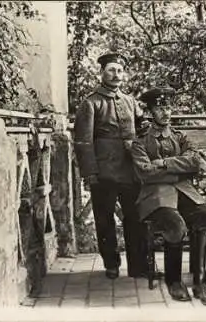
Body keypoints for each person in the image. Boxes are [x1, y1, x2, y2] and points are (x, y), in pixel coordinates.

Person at [130, 87, 206, 307]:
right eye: (160, 108)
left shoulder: (180, 136)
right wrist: (180, 169)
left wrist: (165, 164)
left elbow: (195, 161)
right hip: (155, 197)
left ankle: (201, 282)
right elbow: (145, 173)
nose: (166, 112)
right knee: (176, 225)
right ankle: (174, 281)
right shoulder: (140, 142)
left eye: (168, 107)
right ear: (150, 112)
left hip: (184, 192)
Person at [73, 52, 148, 279]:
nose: (116, 75)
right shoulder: (91, 103)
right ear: (102, 73)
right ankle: (111, 263)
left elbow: (141, 126)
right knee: (104, 219)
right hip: (103, 172)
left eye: (120, 71)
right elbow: (84, 142)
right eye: (111, 70)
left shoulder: (129, 101)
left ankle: (138, 265)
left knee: (134, 217)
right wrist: (90, 173)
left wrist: (143, 127)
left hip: (130, 170)